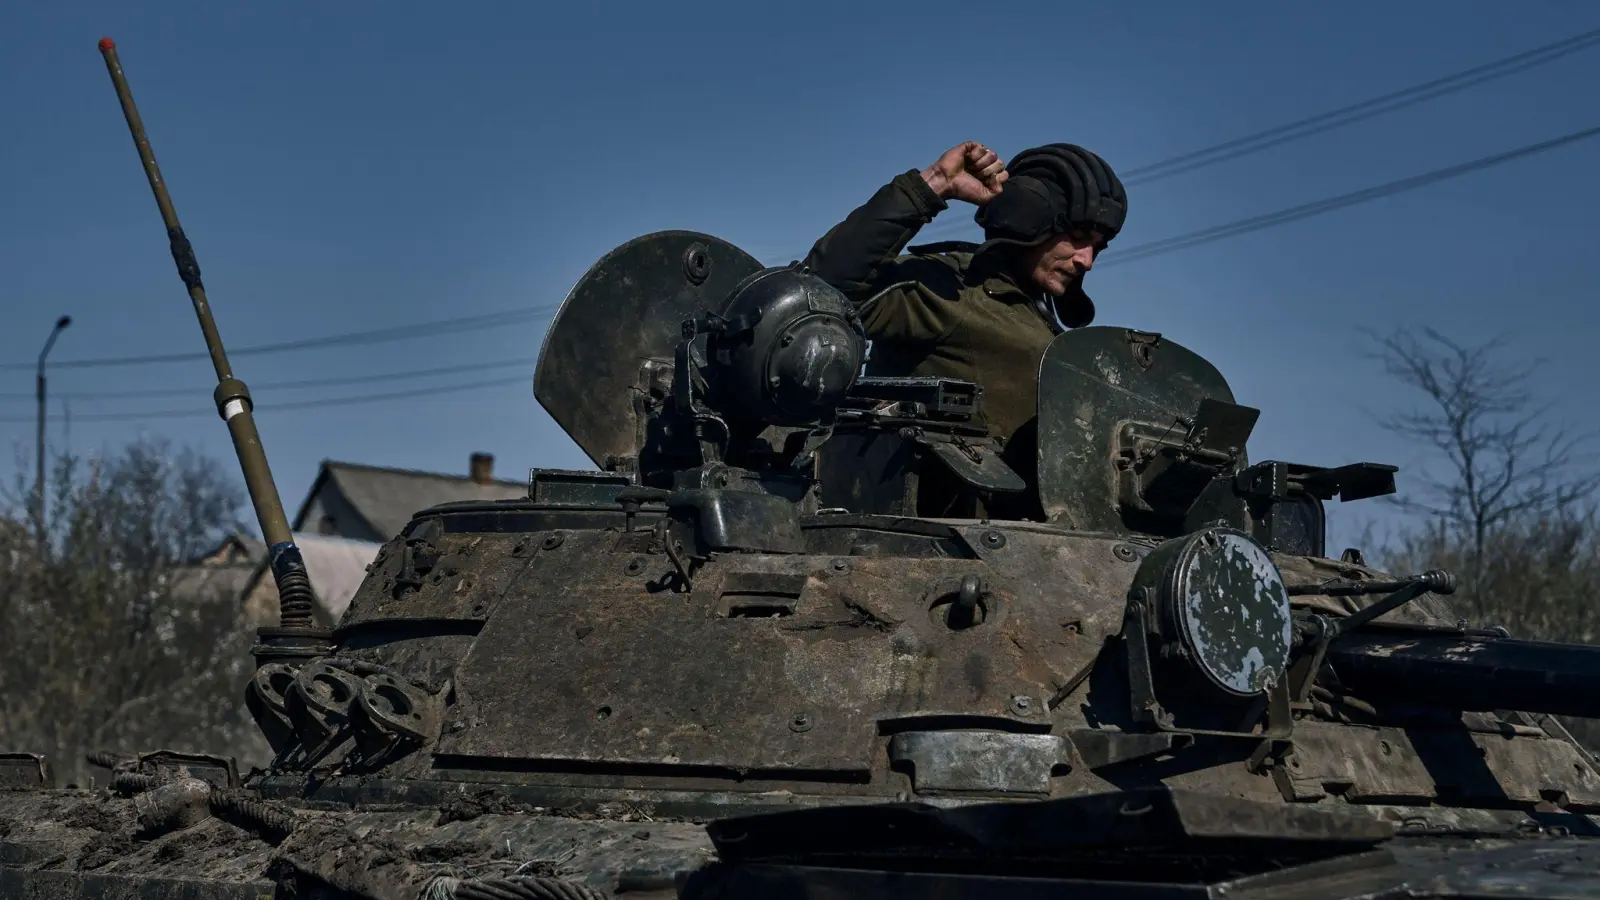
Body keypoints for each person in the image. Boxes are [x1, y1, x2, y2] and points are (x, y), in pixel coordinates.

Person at [801, 140, 1128, 518]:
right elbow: (822, 289)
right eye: (1078, 238)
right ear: (1032, 218)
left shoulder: (1042, 322)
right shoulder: (951, 290)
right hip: (937, 541)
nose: (1086, 260)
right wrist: (933, 185)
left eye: (1097, 248)